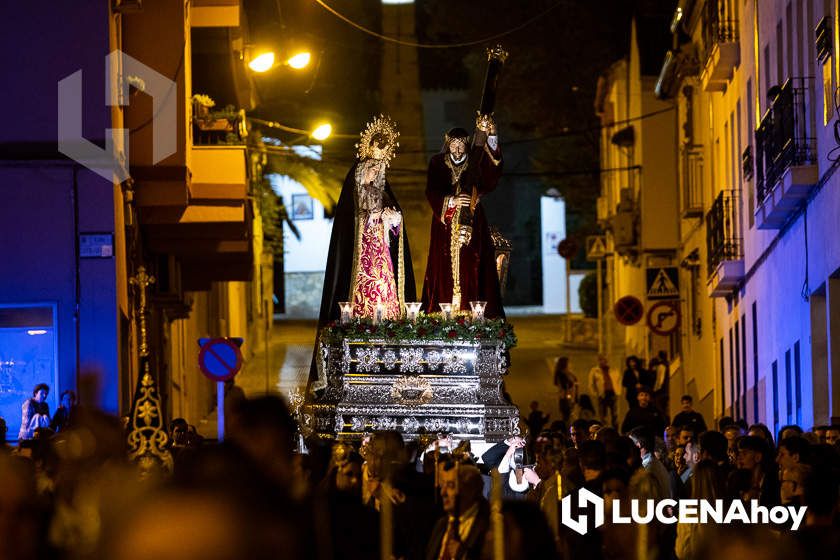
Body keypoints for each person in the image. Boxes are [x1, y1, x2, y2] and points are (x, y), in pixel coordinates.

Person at [310, 116, 416, 387]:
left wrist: (393, 219)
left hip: (380, 256)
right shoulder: (353, 197)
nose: (374, 172)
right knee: (361, 296)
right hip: (360, 261)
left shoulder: (384, 193)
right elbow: (353, 226)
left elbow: (396, 228)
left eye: (378, 168)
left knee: (385, 291)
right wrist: (372, 218)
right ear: (361, 168)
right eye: (370, 167)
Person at [421, 121, 504, 318]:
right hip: (445, 225)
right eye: (453, 144)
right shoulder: (437, 162)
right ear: (448, 144)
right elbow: (431, 190)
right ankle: (442, 314)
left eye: (461, 144)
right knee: (443, 266)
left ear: (466, 144)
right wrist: (452, 200)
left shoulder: (475, 162)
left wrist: (491, 135)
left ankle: (473, 312)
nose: (457, 149)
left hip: (472, 222)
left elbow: (492, 174)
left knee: (472, 264)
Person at [426, 462, 489, 560]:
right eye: (443, 485)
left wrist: (464, 556)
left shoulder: (489, 526)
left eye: (451, 486)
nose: (443, 493)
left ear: (471, 490)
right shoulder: (441, 524)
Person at [587, 354, 618, 427]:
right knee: (602, 415)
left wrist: (617, 391)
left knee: (615, 415)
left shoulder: (612, 369)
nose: (602, 361)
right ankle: (604, 430)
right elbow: (591, 384)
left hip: (612, 393)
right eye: (600, 360)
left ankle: (615, 430)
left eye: (604, 359)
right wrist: (595, 394)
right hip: (602, 395)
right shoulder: (594, 371)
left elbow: (617, 380)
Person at [553, 356, 578, 425]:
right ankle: (566, 432)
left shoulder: (568, 373)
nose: (570, 364)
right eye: (568, 363)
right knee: (566, 417)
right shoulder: (561, 374)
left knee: (568, 417)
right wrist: (570, 399)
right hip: (565, 399)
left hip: (569, 397)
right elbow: (564, 387)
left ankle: (567, 430)